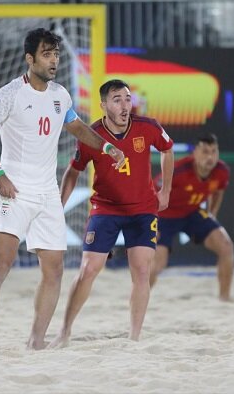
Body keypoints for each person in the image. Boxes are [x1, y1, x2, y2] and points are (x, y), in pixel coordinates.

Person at [0, 28, 126, 353]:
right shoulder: (10, 93)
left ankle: (36, 341)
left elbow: (77, 127)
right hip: (14, 190)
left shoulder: (61, 95)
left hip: (47, 193)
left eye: (56, 54)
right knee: (0, 265)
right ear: (30, 58)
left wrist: (107, 147)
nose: (53, 60)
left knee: (54, 269)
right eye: (46, 54)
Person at [48, 80, 174, 347]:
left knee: (141, 270)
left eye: (128, 99)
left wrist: (166, 191)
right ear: (103, 105)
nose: (125, 105)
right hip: (105, 208)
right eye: (117, 99)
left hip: (142, 209)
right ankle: (64, 331)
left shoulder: (148, 126)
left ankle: (134, 338)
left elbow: (167, 149)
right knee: (88, 268)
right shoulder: (92, 135)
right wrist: (59, 206)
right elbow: (73, 170)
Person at [149, 133, 234, 301]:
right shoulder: (177, 170)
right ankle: (140, 298)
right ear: (194, 153)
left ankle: (225, 298)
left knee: (226, 247)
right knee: (158, 263)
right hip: (164, 216)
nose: (210, 157)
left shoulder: (222, 171)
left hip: (192, 213)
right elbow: (150, 195)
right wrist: (149, 222)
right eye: (205, 151)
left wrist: (212, 214)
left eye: (214, 151)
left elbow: (218, 191)